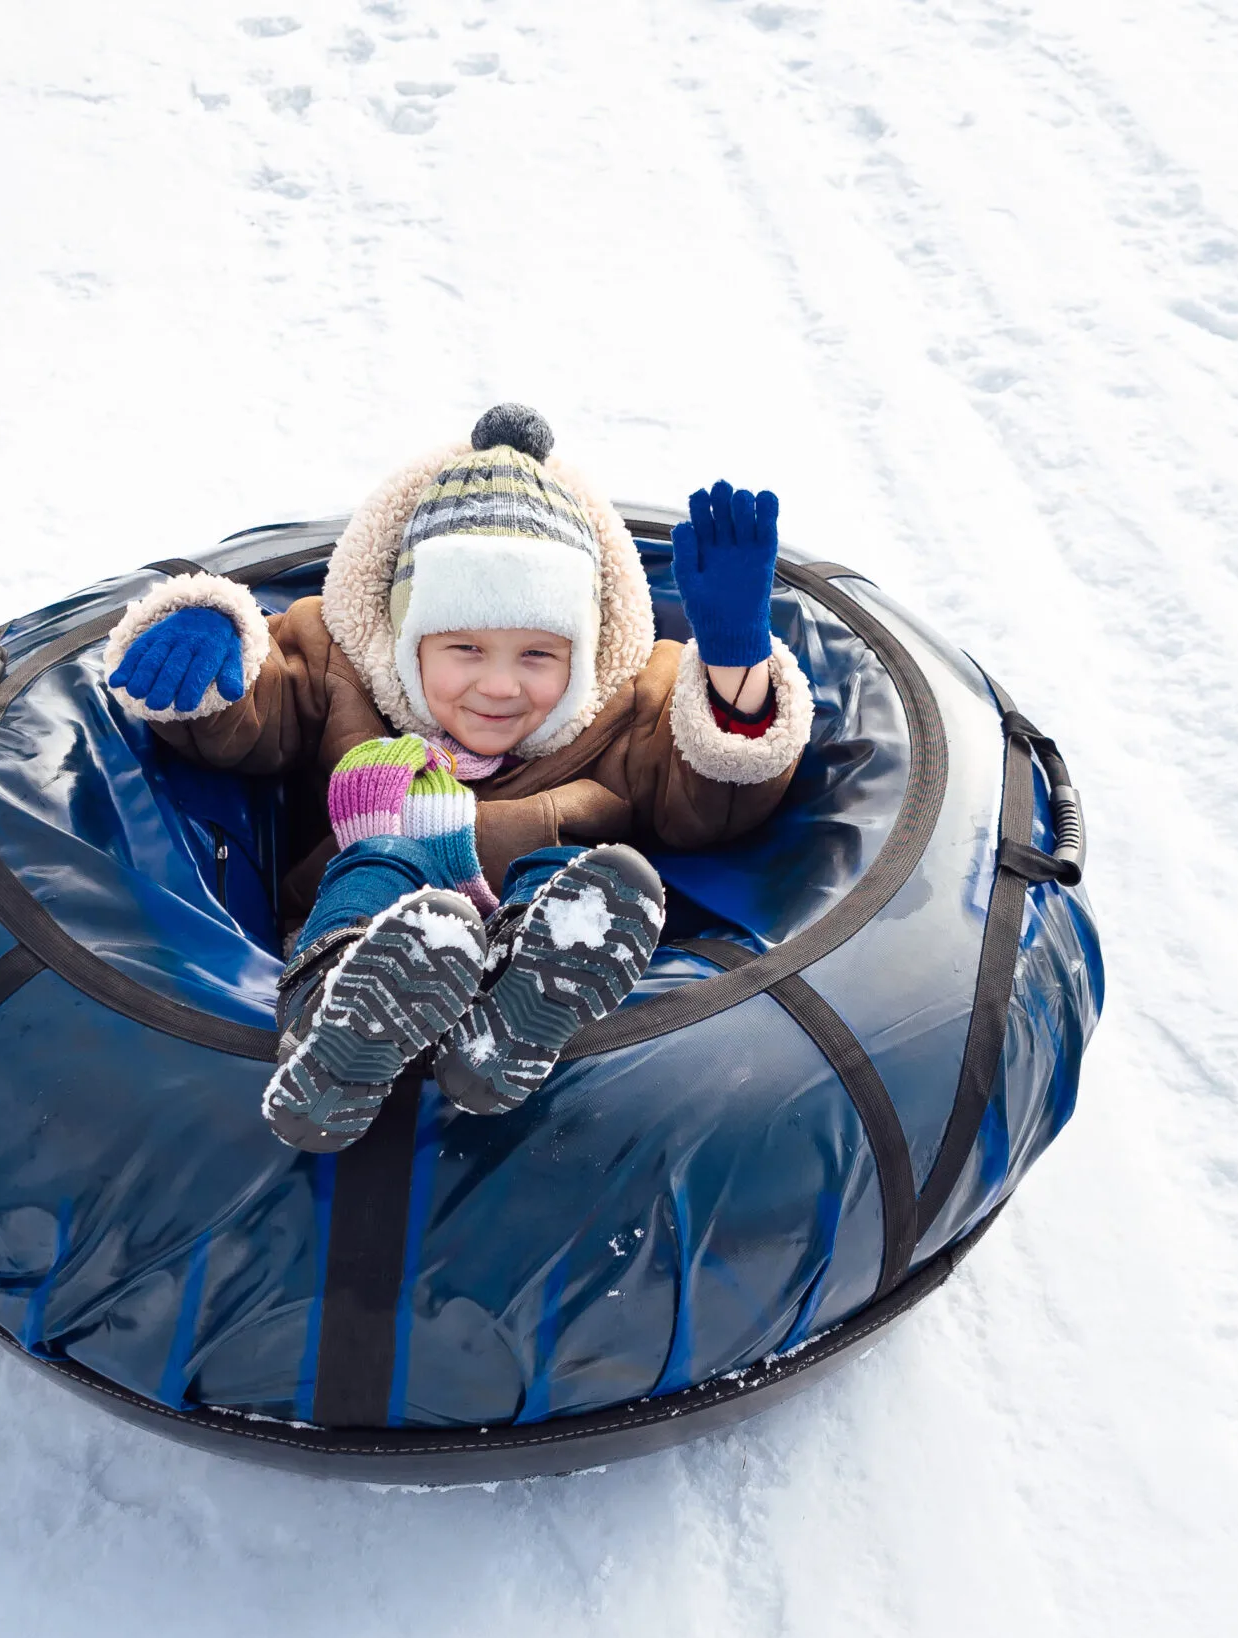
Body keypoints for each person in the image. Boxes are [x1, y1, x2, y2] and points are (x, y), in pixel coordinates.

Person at [104, 405, 813, 1149]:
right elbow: (257, 706)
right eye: (466, 648)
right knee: (384, 863)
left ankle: (519, 1009)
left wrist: (737, 665)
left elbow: (710, 801)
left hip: (520, 915)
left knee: (577, 875)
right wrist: (211, 640)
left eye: (538, 655)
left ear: (584, 651)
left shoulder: (629, 703)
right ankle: (340, 1021)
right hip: (370, 912)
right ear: (409, 637)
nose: (500, 686)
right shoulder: (343, 663)